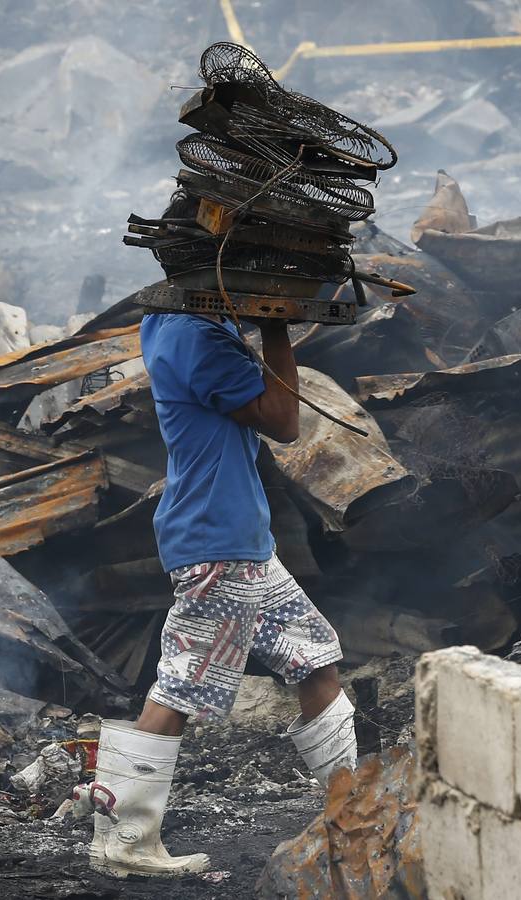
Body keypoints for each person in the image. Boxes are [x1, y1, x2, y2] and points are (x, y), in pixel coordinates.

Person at [86, 235, 356, 878]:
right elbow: (284, 420)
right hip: (218, 543)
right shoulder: (199, 340)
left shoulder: (171, 321)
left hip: (240, 542)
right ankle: (124, 841)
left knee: (315, 659)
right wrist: (277, 330)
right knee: (181, 685)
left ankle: (351, 811)